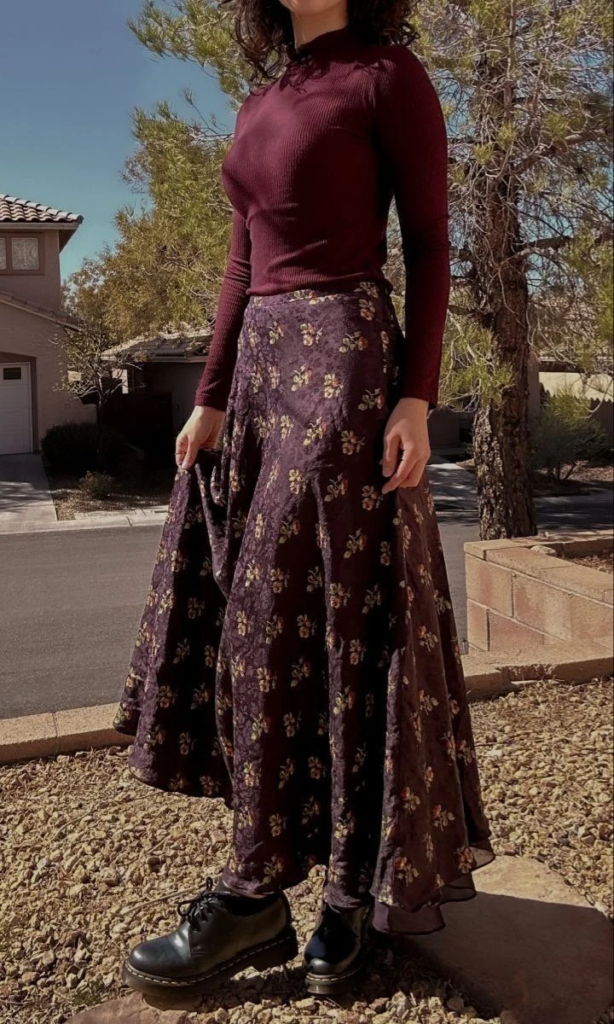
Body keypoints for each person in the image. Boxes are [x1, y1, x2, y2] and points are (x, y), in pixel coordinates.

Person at [113, 0, 495, 1000]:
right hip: (260, 375)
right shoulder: (263, 98)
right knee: (258, 628)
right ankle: (266, 890)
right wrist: (206, 395)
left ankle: (330, 890)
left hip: (343, 353)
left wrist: (415, 392)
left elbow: (426, 241)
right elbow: (242, 258)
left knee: (326, 617)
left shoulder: (386, 75)